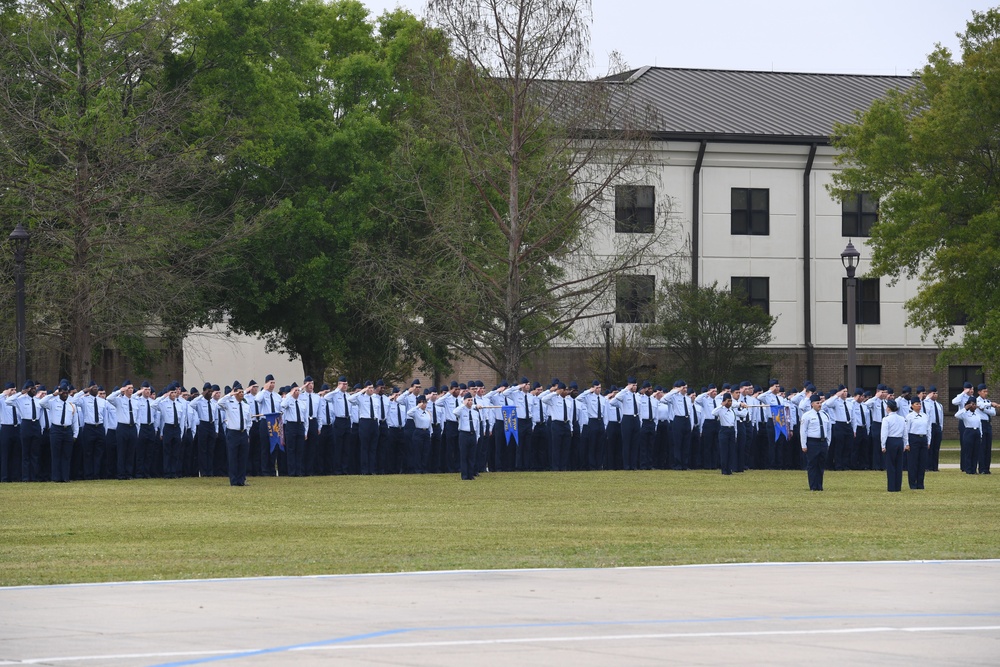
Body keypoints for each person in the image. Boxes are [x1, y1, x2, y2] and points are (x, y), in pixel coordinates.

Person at [39, 381, 79, 482]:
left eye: (66, 392)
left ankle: (65, 477)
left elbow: (75, 421)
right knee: (56, 455)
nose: (65, 394)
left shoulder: (71, 405)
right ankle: (56, 478)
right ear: (60, 392)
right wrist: (53, 394)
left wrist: (75, 435)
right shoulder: (53, 403)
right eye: (63, 392)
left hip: (67, 430)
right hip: (56, 430)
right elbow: (41, 402)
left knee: (66, 455)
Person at [217, 381, 253, 486]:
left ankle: (241, 480)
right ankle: (233, 480)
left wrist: (247, 433)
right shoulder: (229, 403)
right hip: (233, 433)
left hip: (243, 433)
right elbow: (219, 403)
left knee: (243, 457)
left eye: (243, 392)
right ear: (235, 393)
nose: (242, 394)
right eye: (240, 392)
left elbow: (249, 421)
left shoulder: (246, 405)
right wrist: (230, 394)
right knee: (233, 457)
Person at [799, 393, 831, 491]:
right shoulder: (807, 415)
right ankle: (813, 486)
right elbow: (803, 431)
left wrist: (828, 442)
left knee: (821, 464)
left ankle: (819, 486)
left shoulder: (825, 415)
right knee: (812, 464)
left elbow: (829, 430)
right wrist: (803, 445)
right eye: (817, 403)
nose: (819, 405)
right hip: (812, 442)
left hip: (823, 442)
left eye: (820, 403)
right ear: (812, 404)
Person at [712, 392, 746, 475]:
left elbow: (734, 423)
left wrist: (735, 434)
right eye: (728, 401)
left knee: (731, 451)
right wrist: (722, 405)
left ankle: (729, 469)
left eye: (731, 401)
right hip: (724, 430)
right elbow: (713, 412)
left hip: (732, 431)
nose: (730, 403)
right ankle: (724, 470)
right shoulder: (721, 410)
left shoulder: (732, 411)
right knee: (724, 451)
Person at [453, 392, 482, 480]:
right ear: (465, 401)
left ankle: (470, 474)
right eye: (468, 400)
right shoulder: (461, 410)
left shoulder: (475, 412)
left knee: (472, 456)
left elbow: (477, 425)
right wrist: (463, 404)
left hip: (472, 435)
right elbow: (454, 412)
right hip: (464, 434)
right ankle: (464, 475)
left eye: (471, 400)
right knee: (464, 456)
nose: (470, 402)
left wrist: (477, 436)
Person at [904, 396, 930, 489]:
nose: (919, 406)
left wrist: (928, 441)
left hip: (923, 438)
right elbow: (906, 431)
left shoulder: (925, 416)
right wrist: (906, 443)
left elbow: (928, 429)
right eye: (917, 404)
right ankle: (912, 483)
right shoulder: (909, 416)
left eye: (919, 404)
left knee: (922, 462)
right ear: (912, 406)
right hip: (913, 438)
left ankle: (920, 483)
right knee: (913, 462)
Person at [880, 399, 906, 492]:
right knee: (899, 464)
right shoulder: (902, 418)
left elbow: (884, 433)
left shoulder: (886, 419)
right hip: (899, 441)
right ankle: (898, 486)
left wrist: (883, 445)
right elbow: (905, 432)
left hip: (890, 441)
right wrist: (905, 443)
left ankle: (891, 487)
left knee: (890, 464)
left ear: (888, 408)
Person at [955, 398, 982, 476]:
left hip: (976, 432)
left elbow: (980, 425)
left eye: (974, 404)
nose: (974, 406)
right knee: (969, 451)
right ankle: (968, 469)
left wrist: (981, 434)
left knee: (975, 452)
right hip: (969, 431)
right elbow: (956, 415)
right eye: (972, 404)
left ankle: (974, 469)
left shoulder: (977, 414)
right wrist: (965, 408)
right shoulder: (965, 414)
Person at [923, 386, 944, 472]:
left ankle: (935, 466)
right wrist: (928, 397)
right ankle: (928, 466)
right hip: (930, 426)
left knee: (936, 447)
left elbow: (941, 417)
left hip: (937, 426)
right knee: (929, 446)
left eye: (936, 393)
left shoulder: (939, 405)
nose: (935, 395)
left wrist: (941, 427)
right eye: (933, 393)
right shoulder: (925, 403)